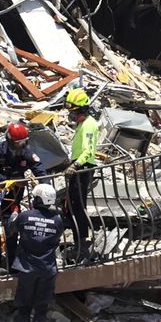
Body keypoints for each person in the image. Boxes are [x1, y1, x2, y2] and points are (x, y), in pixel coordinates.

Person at [0, 122, 46, 275]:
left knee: (11, 230)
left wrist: (47, 188)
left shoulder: (27, 152)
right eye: (18, 143)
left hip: (13, 198)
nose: (21, 146)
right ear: (10, 141)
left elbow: (40, 170)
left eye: (24, 142)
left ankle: (12, 264)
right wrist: (11, 181)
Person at [11, 183, 63, 322]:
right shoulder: (57, 220)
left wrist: (14, 215)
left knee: (24, 307)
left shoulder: (25, 216)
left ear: (38, 199)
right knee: (41, 308)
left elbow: (12, 229)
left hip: (26, 268)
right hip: (47, 269)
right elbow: (55, 238)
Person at [64, 88, 99, 262]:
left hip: (83, 168)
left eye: (73, 112)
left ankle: (82, 243)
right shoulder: (82, 124)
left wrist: (76, 165)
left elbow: (88, 150)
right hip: (77, 167)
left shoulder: (89, 125)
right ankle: (78, 240)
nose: (71, 116)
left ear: (81, 110)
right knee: (73, 206)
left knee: (79, 207)